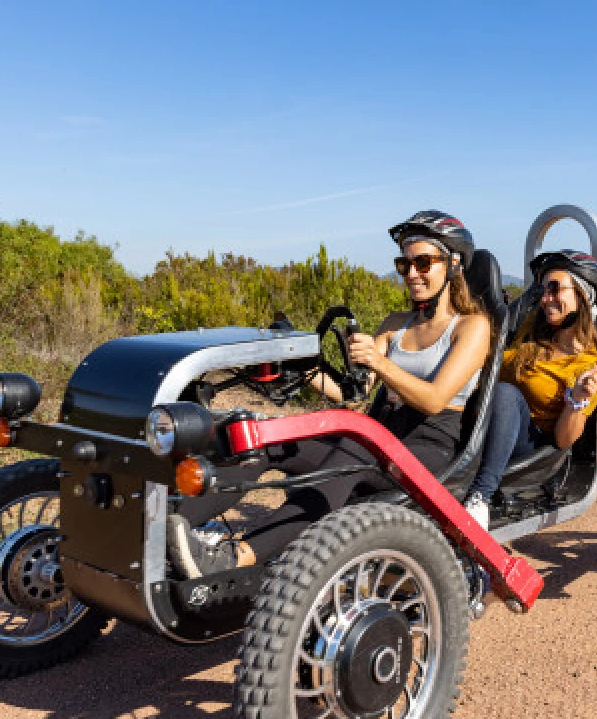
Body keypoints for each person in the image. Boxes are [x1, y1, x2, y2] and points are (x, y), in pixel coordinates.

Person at [167, 210, 491, 578]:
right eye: (405, 264)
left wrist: (381, 364)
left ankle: (234, 555)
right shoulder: (394, 325)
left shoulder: (472, 326)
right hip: (383, 435)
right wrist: (303, 369)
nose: (412, 273)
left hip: (434, 448)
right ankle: (172, 528)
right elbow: (354, 396)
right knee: (270, 438)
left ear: (453, 264)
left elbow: (434, 399)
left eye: (423, 262)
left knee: (353, 450)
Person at [462, 250, 597, 530]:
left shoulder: (588, 365)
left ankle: (479, 498)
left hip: (529, 446)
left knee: (505, 393)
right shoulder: (532, 333)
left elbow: (563, 440)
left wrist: (576, 400)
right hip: (488, 423)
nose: (545, 299)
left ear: (583, 294)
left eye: (555, 289)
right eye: (543, 290)